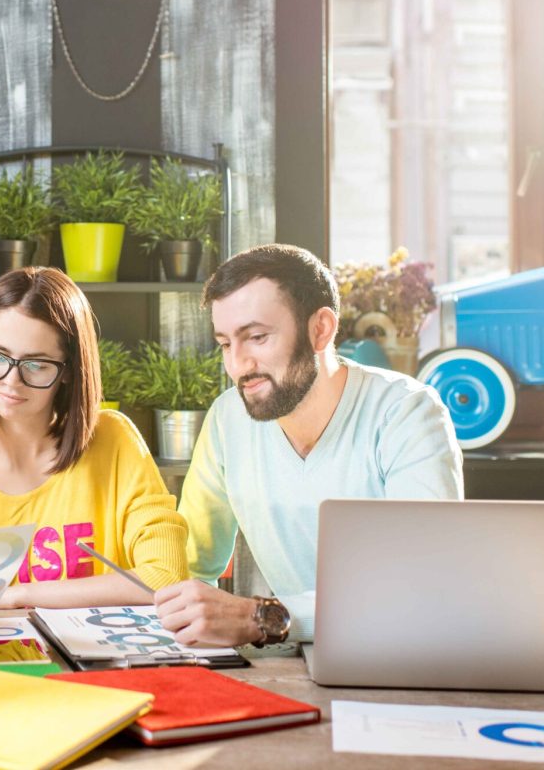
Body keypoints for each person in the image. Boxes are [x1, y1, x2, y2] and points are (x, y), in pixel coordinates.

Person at [155, 244, 463, 648]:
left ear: (320, 329)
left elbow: (423, 582)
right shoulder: (228, 417)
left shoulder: (406, 413)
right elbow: (191, 565)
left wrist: (260, 618)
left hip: (405, 656)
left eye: (257, 337)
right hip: (297, 658)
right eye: (226, 344)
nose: (237, 364)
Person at [0, 266, 188, 605]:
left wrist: (19, 596)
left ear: (69, 370)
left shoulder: (115, 439)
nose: (11, 381)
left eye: (35, 365)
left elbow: (166, 577)